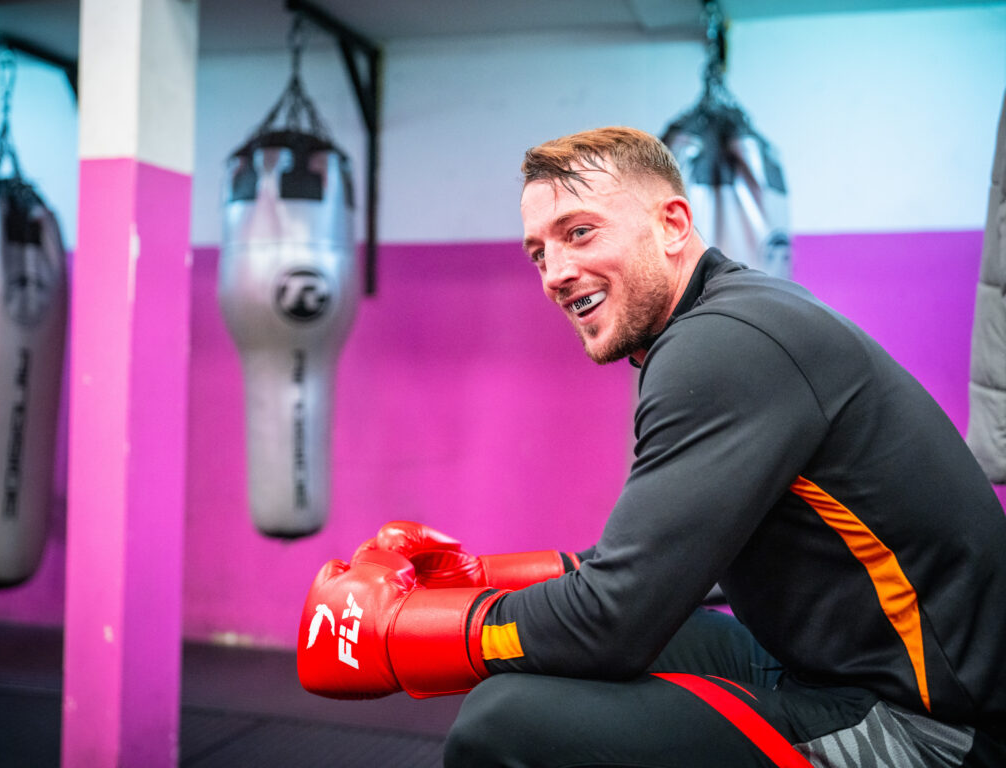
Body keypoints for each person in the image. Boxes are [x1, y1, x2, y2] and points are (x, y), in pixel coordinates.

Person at [297, 126, 1006, 767]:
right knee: (538, 672)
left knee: (505, 723)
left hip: (929, 729)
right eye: (538, 251)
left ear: (673, 224)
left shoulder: (721, 348)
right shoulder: (734, 318)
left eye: (578, 232)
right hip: (833, 666)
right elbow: (649, 569)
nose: (554, 273)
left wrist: (395, 635)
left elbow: (615, 620)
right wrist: (478, 579)